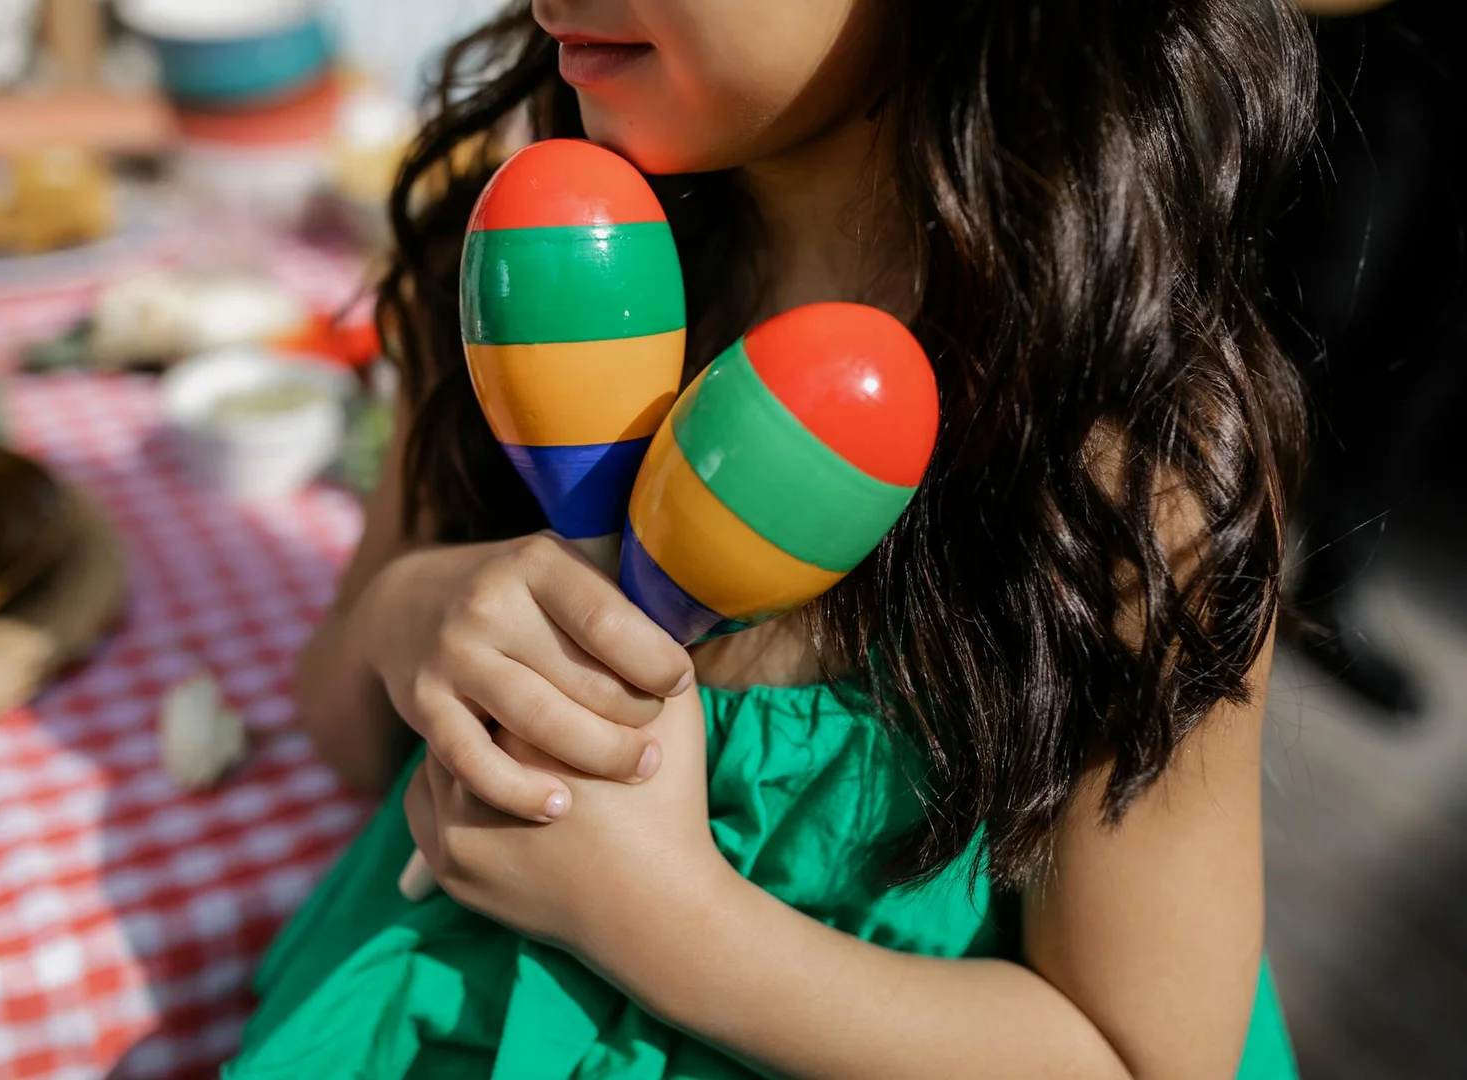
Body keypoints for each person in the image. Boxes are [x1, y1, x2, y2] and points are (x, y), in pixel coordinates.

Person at [227, 1, 1314, 1076]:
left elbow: (1143, 1058)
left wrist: (661, 921)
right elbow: (342, 731)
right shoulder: (524, 258)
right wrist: (405, 613)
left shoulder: (1130, 480)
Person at [1270, 0, 1466, 717]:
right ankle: (1211, 543)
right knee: (1320, 284)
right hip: (1401, 33)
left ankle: (1332, 592)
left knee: (1433, 347)